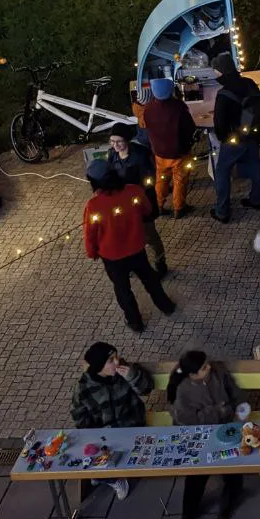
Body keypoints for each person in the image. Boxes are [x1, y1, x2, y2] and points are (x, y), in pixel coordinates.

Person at [83, 160, 177, 332]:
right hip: (136, 248)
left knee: (122, 288)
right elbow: (147, 210)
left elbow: (90, 234)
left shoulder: (93, 205)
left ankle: (135, 322)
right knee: (149, 278)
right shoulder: (134, 190)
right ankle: (166, 306)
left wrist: (92, 252)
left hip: (112, 256)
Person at [167, 352, 245, 519]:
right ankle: (189, 514)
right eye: (203, 368)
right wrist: (219, 410)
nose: (208, 367)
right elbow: (188, 420)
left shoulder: (217, 372)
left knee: (233, 463)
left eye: (207, 364)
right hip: (198, 433)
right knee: (196, 475)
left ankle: (231, 496)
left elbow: (235, 393)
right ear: (192, 374)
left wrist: (240, 406)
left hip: (226, 426)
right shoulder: (183, 389)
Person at [70, 341, 152, 502]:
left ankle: (109, 475)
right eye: (111, 360)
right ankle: (112, 479)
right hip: (104, 434)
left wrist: (132, 376)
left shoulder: (123, 373)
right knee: (90, 459)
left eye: (116, 356)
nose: (117, 362)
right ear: (99, 366)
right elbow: (78, 414)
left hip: (132, 426)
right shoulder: (84, 388)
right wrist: (93, 434)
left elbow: (146, 389)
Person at [210, 52, 260, 224]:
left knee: (222, 171)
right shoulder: (249, 82)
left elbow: (219, 123)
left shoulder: (223, 94)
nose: (214, 74)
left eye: (215, 70)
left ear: (221, 72)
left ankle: (222, 211)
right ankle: (256, 200)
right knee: (255, 164)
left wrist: (224, 139)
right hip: (253, 133)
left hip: (235, 139)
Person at [107, 123, 167, 277]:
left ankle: (160, 262)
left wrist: (136, 193)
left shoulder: (141, 155)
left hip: (142, 203)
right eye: (112, 141)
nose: (115, 145)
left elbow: (150, 179)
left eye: (119, 141)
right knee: (128, 235)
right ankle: (134, 264)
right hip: (122, 206)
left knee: (150, 236)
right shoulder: (112, 155)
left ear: (127, 140)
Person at [142, 77, 197, 219]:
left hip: (159, 152)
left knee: (161, 179)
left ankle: (159, 205)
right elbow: (190, 127)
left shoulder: (148, 109)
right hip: (179, 152)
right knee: (179, 180)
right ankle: (179, 207)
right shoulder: (178, 107)